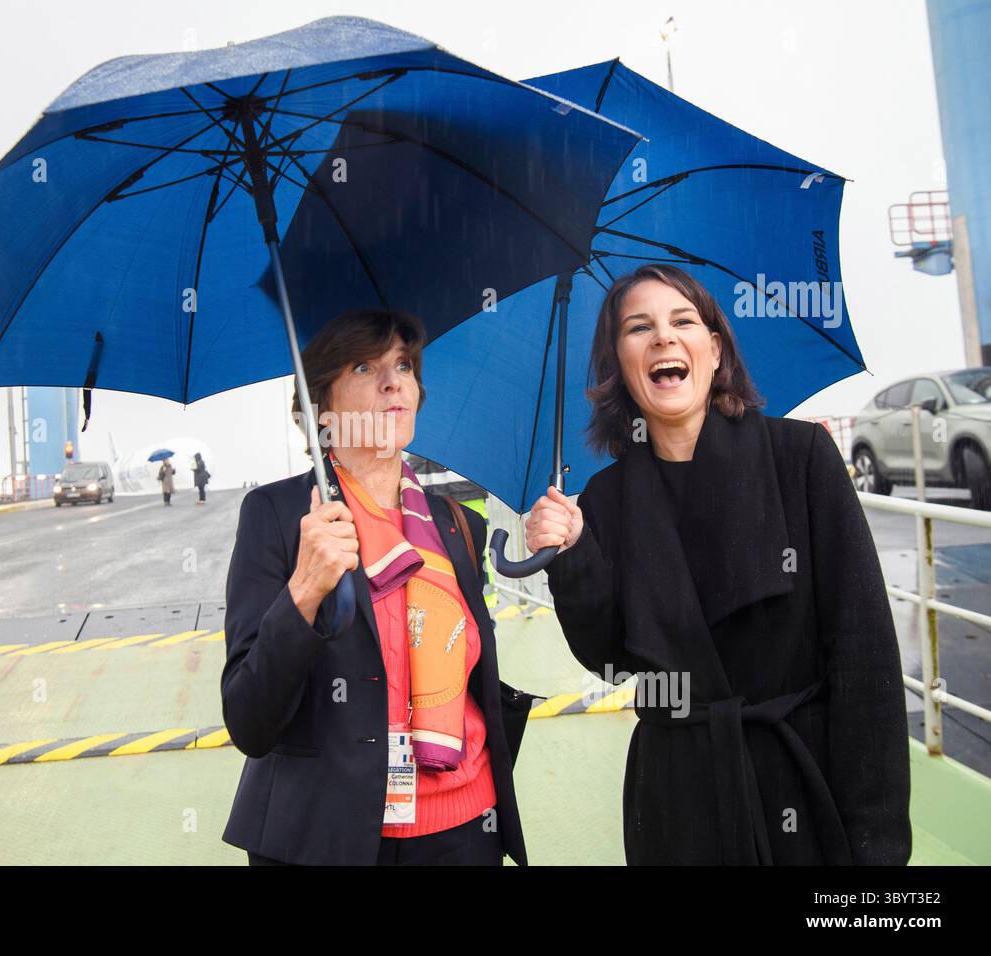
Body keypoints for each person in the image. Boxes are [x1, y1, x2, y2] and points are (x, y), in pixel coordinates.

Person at [524, 263, 912, 865]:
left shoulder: (801, 460)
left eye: (683, 320)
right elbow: (613, 663)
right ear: (619, 366)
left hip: (801, 793)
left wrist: (877, 845)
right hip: (677, 804)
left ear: (715, 348)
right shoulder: (601, 502)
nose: (663, 338)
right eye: (638, 328)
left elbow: (865, 659)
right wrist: (571, 558)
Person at [220, 308, 532, 866]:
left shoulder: (458, 524)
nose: (394, 382)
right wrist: (303, 593)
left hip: (463, 830)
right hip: (325, 837)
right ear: (321, 409)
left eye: (405, 366)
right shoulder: (278, 516)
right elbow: (249, 719)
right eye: (364, 366)